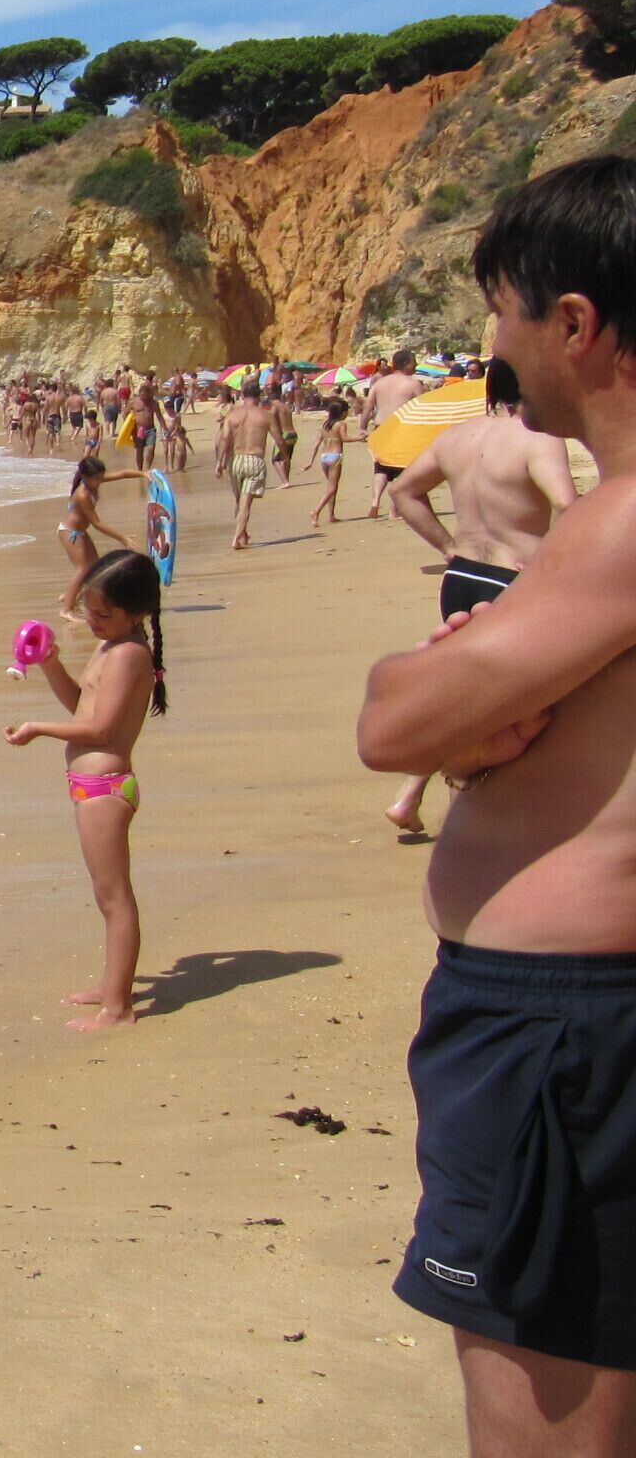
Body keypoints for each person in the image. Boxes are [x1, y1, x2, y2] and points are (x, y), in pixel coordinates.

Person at [355, 152, 636, 1447]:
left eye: (501, 314)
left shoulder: (620, 526)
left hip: (561, 1042)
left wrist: (433, 689)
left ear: (573, 322)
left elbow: (392, 726)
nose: (492, 348)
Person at [375, 356, 579, 839]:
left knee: (463, 692)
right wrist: (552, 565)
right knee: (515, 706)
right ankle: (466, 822)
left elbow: (403, 493)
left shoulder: (456, 437)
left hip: (461, 576)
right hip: (512, 580)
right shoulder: (539, 439)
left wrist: (448, 547)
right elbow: (567, 505)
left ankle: (410, 796)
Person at [4, 549, 166, 1032]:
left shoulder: (130, 654)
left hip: (105, 788)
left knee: (115, 898)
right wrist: (50, 664)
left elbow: (99, 730)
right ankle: (112, 986)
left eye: (102, 614)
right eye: (89, 611)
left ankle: (117, 1009)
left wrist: (38, 728)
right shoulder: (112, 646)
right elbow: (82, 706)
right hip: (91, 786)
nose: (92, 622)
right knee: (105, 896)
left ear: (136, 613)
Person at [57, 457, 142, 616]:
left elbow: (123, 474)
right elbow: (96, 523)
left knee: (95, 568)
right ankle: (66, 610)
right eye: (97, 478)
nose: (100, 481)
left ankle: (69, 596)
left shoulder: (94, 480)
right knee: (83, 569)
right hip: (70, 533)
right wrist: (121, 537)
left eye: (101, 477)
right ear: (85, 476)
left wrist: (144, 474)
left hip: (80, 532)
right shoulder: (83, 495)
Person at [363, 348, 429, 517]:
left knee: (381, 468)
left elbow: (368, 407)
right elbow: (422, 409)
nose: (416, 365)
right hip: (401, 428)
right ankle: (394, 511)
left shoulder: (379, 383)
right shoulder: (413, 384)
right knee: (401, 469)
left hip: (380, 428)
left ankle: (375, 501)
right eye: (414, 362)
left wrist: (362, 427)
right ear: (406, 364)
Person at [216, 379, 280, 548]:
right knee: (245, 503)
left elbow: (225, 439)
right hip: (255, 459)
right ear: (259, 396)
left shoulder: (231, 415)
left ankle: (243, 535)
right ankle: (236, 539)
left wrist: (219, 462)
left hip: (236, 460)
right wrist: (285, 456)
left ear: (242, 395)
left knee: (239, 500)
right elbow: (279, 439)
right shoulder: (266, 415)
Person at [305, 399, 354, 526]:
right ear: (343, 413)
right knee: (332, 488)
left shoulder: (325, 425)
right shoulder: (341, 424)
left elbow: (316, 443)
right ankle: (316, 511)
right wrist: (359, 438)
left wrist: (310, 461)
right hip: (335, 456)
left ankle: (331, 515)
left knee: (331, 487)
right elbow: (344, 438)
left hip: (324, 457)